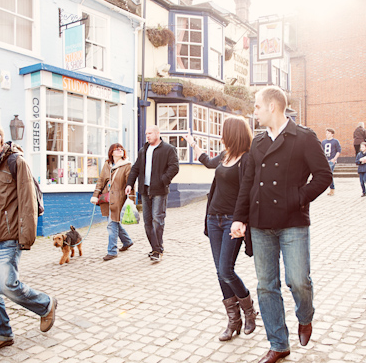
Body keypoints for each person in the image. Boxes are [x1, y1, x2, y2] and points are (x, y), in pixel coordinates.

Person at [230, 86, 332, 363]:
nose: (255, 112)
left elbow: (323, 176)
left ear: (272, 107)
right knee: (266, 286)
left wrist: (298, 198)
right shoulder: (258, 142)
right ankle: (278, 344)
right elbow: (247, 184)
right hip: (261, 224)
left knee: (298, 280)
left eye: (257, 107)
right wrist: (240, 218)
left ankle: (305, 317)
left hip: (293, 222)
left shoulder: (303, 138)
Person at [0, 122, 57, 356]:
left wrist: (26, 237)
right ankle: (0, 333)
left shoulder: (16, 162)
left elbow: (28, 201)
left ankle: (45, 304)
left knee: (8, 285)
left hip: (8, 238)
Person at [183, 117, 257, 342]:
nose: (221, 136)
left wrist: (241, 220)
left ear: (233, 133)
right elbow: (207, 162)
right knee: (219, 272)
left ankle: (249, 309)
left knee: (226, 270)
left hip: (231, 222)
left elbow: (248, 192)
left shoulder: (246, 159)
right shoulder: (225, 156)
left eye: (224, 132)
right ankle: (233, 321)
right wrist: (193, 145)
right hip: (214, 219)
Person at [125, 125, 179, 262]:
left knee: (157, 219)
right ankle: (155, 248)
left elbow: (174, 167)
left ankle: (158, 250)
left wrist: (163, 180)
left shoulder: (168, 149)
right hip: (145, 190)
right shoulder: (144, 150)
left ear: (157, 133)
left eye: (150, 133)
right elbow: (135, 168)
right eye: (146, 133)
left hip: (159, 190)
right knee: (147, 222)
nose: (147, 136)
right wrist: (129, 184)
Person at [91, 143, 133, 261]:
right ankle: (127, 241)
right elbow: (100, 181)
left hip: (119, 199)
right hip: (107, 198)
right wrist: (95, 196)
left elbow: (131, 183)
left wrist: (131, 200)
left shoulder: (127, 165)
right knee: (114, 222)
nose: (120, 151)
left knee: (111, 224)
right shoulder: (107, 164)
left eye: (121, 149)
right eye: (116, 149)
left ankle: (112, 251)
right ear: (111, 152)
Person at [321, 128, 341, 196]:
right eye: (326, 133)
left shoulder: (335, 141)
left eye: (329, 133)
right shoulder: (323, 142)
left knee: (329, 174)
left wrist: (334, 159)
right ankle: (329, 188)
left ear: (332, 134)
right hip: (325, 160)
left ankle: (332, 189)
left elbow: (338, 151)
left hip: (331, 160)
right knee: (326, 175)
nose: (327, 134)